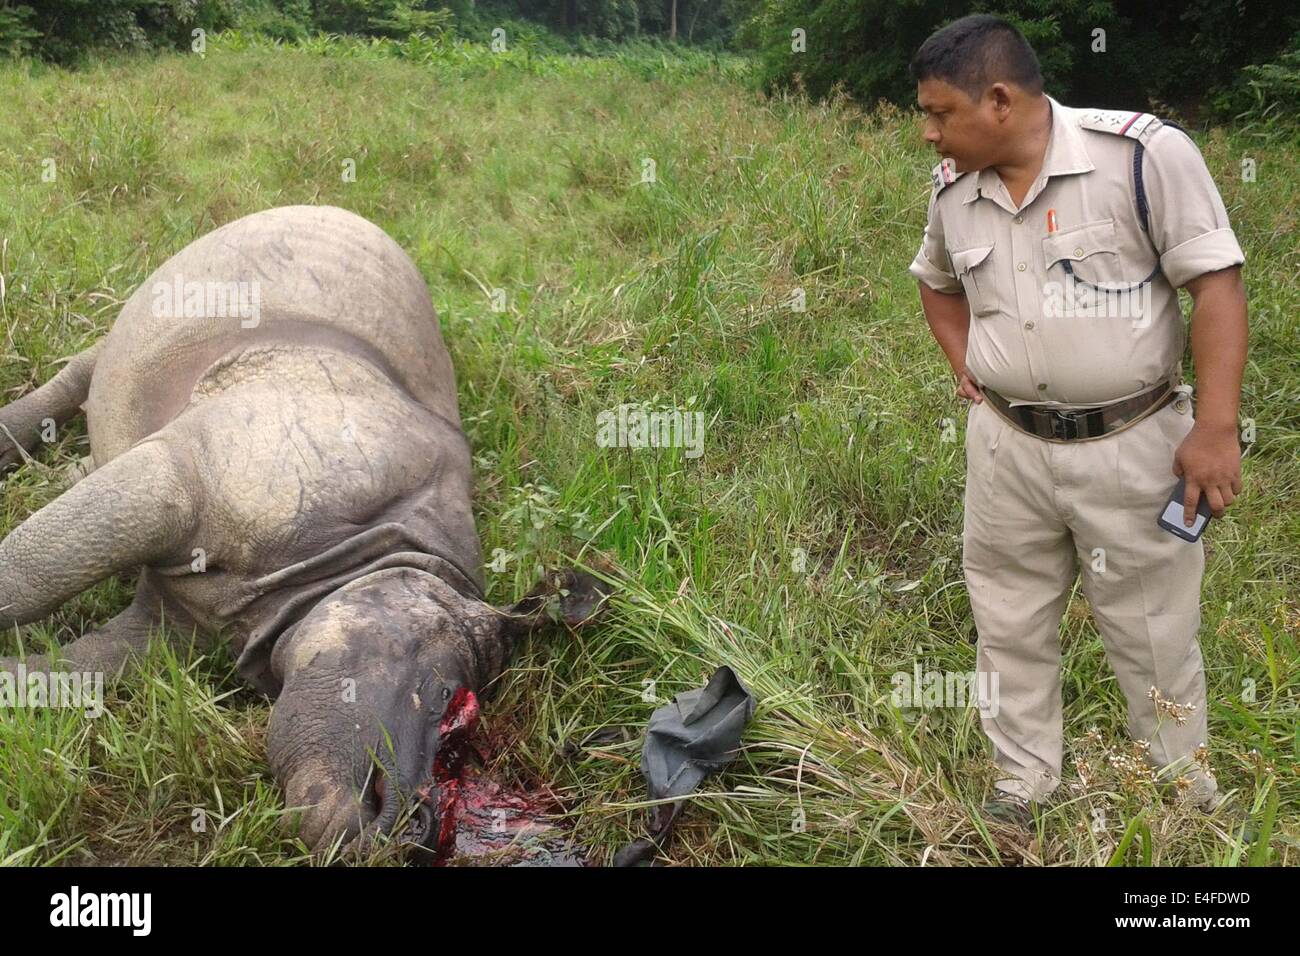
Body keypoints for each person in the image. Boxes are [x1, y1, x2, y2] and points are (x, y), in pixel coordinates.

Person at [907, 14, 1250, 832]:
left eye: (939, 113)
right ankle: (1020, 786)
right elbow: (936, 281)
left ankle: (1183, 804)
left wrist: (1216, 426)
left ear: (998, 100)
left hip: (1131, 447)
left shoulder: (1141, 158)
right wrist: (968, 365)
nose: (929, 135)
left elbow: (1217, 286)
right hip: (1006, 449)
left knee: (1154, 631)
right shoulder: (956, 188)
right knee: (1007, 617)